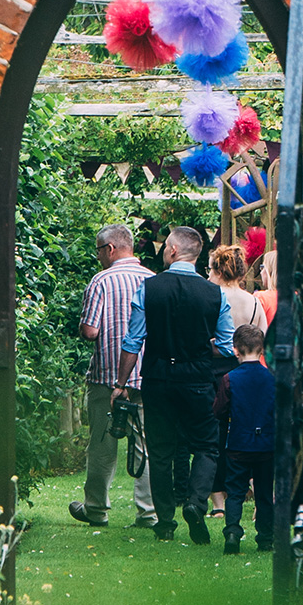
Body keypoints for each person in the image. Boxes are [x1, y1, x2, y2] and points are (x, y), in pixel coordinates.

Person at [115, 222, 233, 543]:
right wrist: (198, 344)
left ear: (173, 250)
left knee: (161, 449)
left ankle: (165, 522)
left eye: (167, 245)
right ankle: (196, 503)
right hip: (196, 378)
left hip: (157, 377)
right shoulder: (214, 293)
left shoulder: (149, 288)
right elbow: (225, 345)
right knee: (207, 446)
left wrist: (120, 382)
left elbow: (132, 340)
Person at [71, 225, 155, 529]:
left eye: (98, 251)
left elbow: (90, 331)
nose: (98, 258)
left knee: (102, 445)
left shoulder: (101, 281)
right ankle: (148, 512)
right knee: (145, 444)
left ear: (110, 249)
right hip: (147, 377)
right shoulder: (152, 280)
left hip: (108, 377)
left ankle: (96, 509)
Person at [217, 318, 275, 554]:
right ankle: (266, 537)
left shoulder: (229, 379)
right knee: (264, 491)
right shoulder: (272, 378)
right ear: (262, 351)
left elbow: (219, 410)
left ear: (235, 350)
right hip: (267, 445)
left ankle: (232, 531)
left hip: (239, 443)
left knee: (235, 491)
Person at [208, 241, 266, 340]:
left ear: (220, 272)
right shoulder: (255, 302)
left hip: (214, 354)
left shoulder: (210, 298)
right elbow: (264, 336)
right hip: (245, 354)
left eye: (210, 270)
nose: (208, 276)